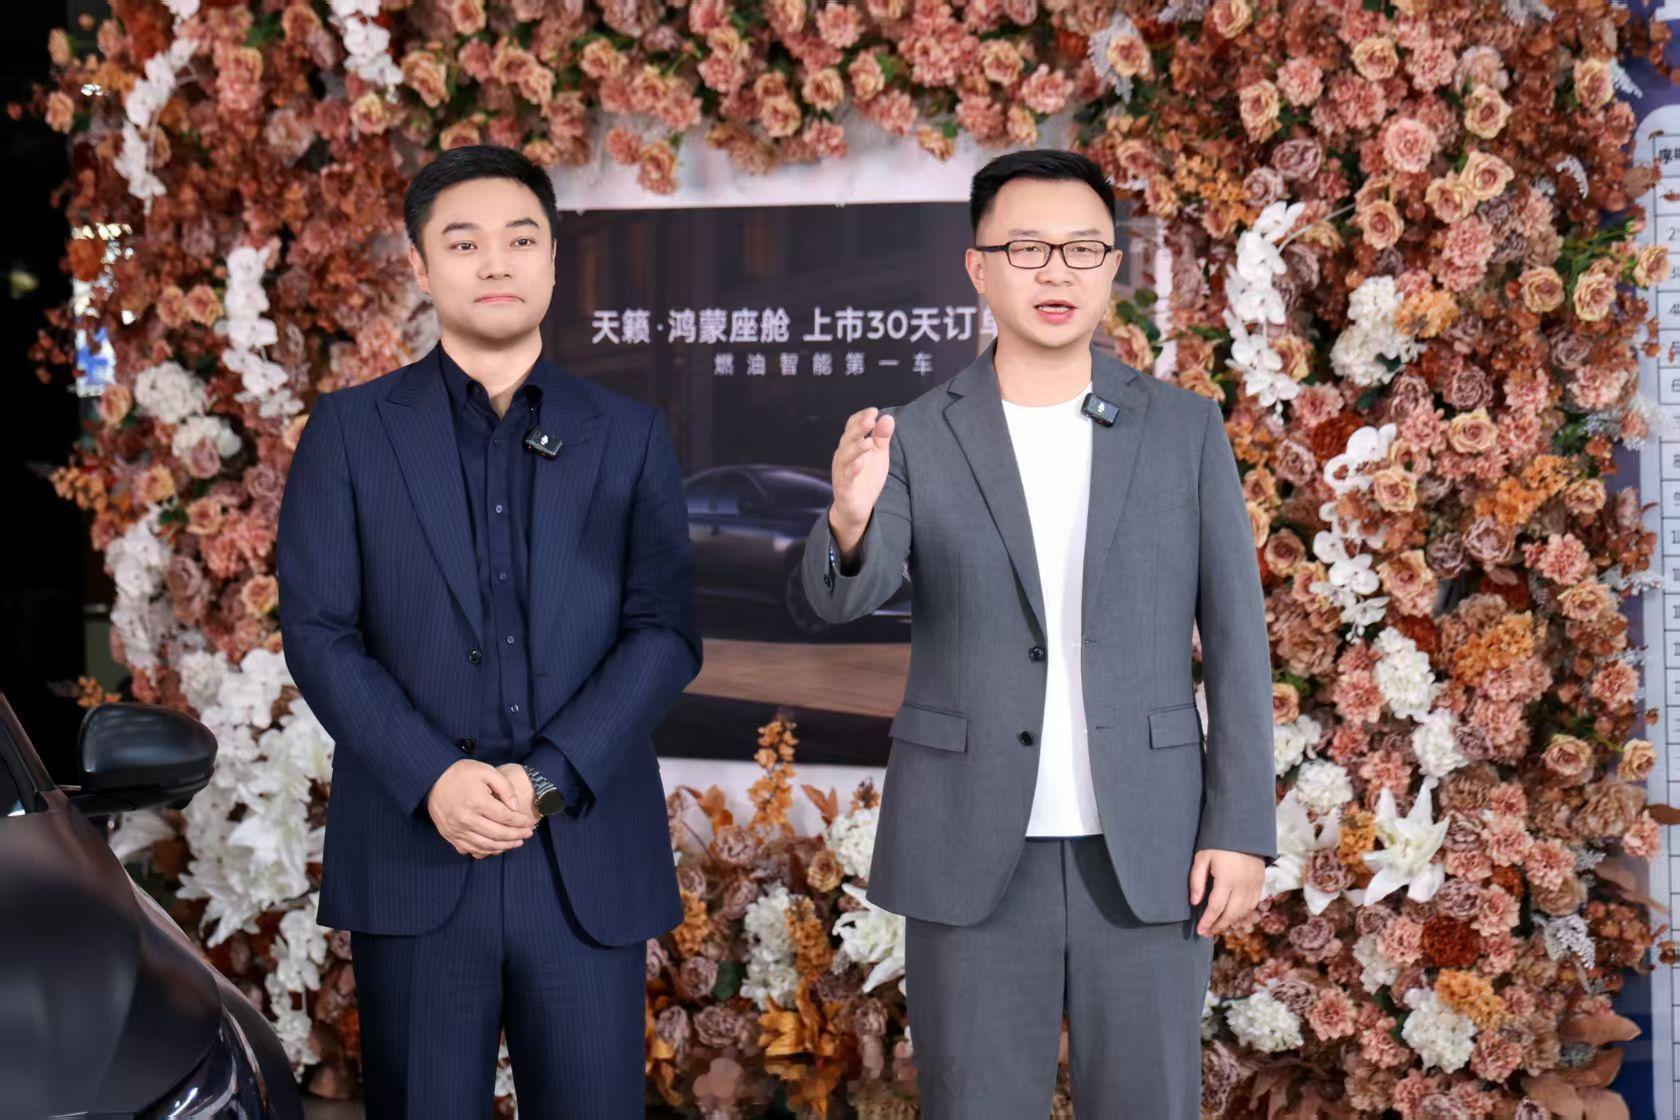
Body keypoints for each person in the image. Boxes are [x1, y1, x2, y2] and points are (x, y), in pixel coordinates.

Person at [800, 148, 1277, 1118]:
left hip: (1150, 846)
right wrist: (848, 518)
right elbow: (843, 599)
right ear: (978, 268)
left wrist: (1240, 829)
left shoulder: (1184, 430)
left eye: (1081, 248)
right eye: (1026, 248)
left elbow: (1237, 645)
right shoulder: (916, 434)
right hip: (970, 846)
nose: (1056, 271)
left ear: (1113, 268)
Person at [276, 144, 701, 1117]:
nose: (496, 263)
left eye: (520, 239)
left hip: (582, 855)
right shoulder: (350, 431)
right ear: (422, 266)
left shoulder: (629, 434)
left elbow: (664, 632)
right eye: (464, 243)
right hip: (416, 854)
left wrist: (545, 777)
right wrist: (435, 776)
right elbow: (321, 632)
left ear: (553, 259)